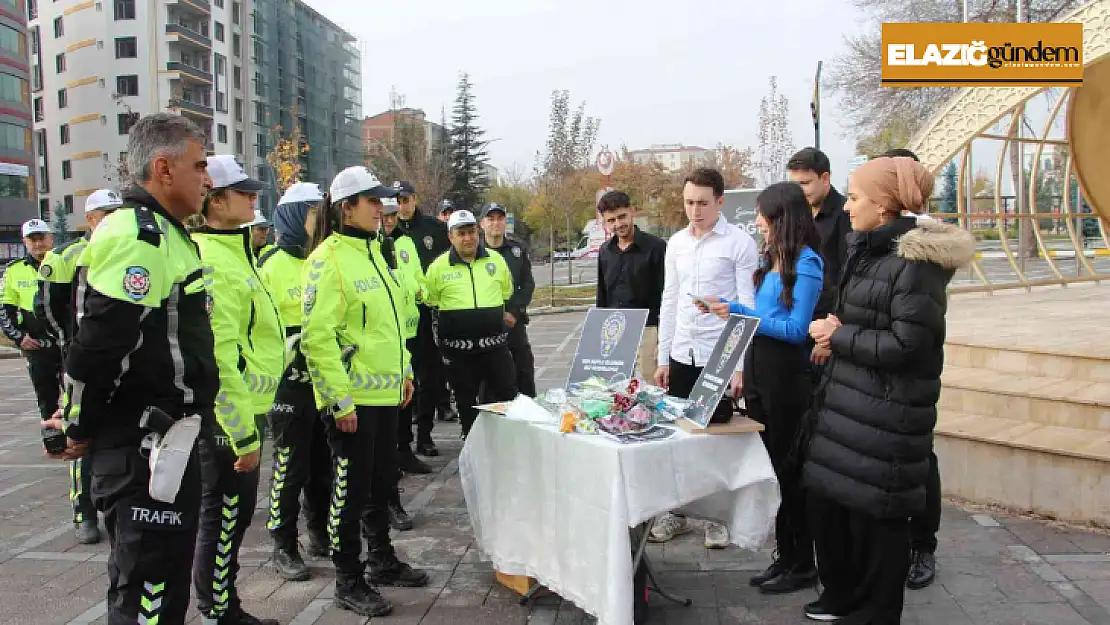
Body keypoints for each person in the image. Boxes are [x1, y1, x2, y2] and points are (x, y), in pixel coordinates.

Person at [43, 113, 218, 625]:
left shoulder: (166, 233)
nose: (207, 179)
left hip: (170, 442)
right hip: (141, 447)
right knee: (146, 592)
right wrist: (77, 423)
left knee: (163, 589)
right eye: (200, 166)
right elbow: (99, 344)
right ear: (164, 168)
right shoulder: (139, 236)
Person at [803, 157, 974, 623]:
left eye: (855, 198)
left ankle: (874, 611)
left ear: (883, 208)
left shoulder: (915, 264)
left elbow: (908, 345)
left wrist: (838, 336)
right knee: (837, 510)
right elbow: (872, 317)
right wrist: (840, 324)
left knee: (878, 526)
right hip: (853, 408)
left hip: (887, 418)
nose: (847, 206)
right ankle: (844, 598)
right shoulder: (870, 250)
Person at [302, 166, 427, 617]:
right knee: (350, 494)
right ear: (345, 207)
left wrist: (406, 370)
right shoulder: (328, 259)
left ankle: (381, 561)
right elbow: (317, 337)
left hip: (387, 395)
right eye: (372, 201)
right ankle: (348, 579)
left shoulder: (378, 250)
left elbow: (392, 324)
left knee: (379, 484)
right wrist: (339, 401)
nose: (382, 208)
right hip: (352, 403)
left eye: (383, 201)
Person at [701, 182, 824, 594]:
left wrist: (740, 313)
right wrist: (732, 311)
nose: (757, 222)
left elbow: (795, 329)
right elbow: (764, 315)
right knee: (772, 470)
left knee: (789, 473)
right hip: (760, 372)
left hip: (787, 379)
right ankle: (784, 556)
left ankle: (802, 562)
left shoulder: (806, 264)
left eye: (763, 215)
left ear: (782, 218)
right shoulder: (772, 261)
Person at [190, 155, 283, 625]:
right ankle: (220, 608)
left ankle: (219, 602)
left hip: (248, 407)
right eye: (243, 193)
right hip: (232, 417)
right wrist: (242, 432)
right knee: (226, 514)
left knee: (231, 513)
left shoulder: (236, 251)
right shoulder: (214, 260)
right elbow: (221, 356)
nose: (254, 198)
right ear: (214, 200)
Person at [651, 167, 758, 549]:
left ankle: (717, 518)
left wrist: (739, 366)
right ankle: (676, 512)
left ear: (720, 202)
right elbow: (669, 300)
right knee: (680, 435)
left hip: (719, 355)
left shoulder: (739, 244)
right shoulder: (676, 243)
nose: (694, 211)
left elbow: (746, 307)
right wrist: (663, 357)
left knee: (716, 439)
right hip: (682, 350)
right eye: (688, 202)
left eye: (702, 203)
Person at [36, 190, 123, 544]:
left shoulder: (128, 249)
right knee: (77, 429)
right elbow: (51, 311)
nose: (114, 219)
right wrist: (70, 352)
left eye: (118, 212)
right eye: (106, 214)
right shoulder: (67, 256)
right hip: (78, 360)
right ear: (90, 219)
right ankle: (82, 509)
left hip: (118, 362)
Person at [259, 181, 334, 581]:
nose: (319, 222)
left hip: (325, 384)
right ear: (290, 217)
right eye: (311, 214)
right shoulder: (270, 266)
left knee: (324, 464)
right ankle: (283, 543)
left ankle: (318, 531)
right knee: (291, 466)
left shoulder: (324, 260)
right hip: (287, 387)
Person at [874, 147, 941, 592]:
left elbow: (913, 331)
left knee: (920, 462)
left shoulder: (925, 244)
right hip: (874, 369)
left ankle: (923, 545)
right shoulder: (869, 235)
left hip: (907, 373)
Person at [423, 209, 518, 439]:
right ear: (451, 237)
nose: (468, 238)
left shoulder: (496, 261)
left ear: (478, 232)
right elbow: (431, 298)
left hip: (495, 348)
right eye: (461, 233)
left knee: (507, 394)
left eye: (471, 232)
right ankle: (473, 445)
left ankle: (506, 442)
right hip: (458, 352)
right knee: (465, 400)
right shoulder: (437, 267)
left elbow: (507, 291)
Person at [377, 195, 427, 533]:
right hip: (376, 348)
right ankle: (384, 504)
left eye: (394, 215)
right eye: (384, 215)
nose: (389, 220)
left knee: (407, 401)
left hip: (405, 334)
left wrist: (418, 290)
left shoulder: (405, 243)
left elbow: (414, 277)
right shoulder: (369, 249)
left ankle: (403, 456)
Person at [394, 180, 457, 437]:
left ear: (415, 199)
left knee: (429, 375)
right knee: (403, 376)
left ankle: (425, 434)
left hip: (428, 311)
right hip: (399, 316)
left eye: (406, 200)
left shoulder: (434, 228)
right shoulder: (387, 232)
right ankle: (404, 434)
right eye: (397, 201)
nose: (402, 206)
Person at [786, 147, 850, 373]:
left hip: (826, 333)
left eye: (805, 183)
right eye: (796, 185)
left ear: (825, 178)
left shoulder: (846, 216)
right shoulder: (797, 216)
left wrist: (828, 338)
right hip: (799, 327)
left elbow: (847, 280)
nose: (800, 191)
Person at [595, 190, 666, 382]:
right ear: (604, 222)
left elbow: (666, 293)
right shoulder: (605, 252)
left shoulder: (657, 248)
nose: (618, 224)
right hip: (614, 332)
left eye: (622, 217)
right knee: (616, 385)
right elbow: (602, 293)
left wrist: (664, 337)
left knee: (650, 387)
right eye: (611, 220)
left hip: (648, 329)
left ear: (632, 211)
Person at [3, 219, 61, 426]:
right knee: (45, 394)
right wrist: (19, 337)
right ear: (25, 242)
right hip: (36, 344)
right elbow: (5, 309)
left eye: (42, 238)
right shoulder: (13, 270)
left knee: (77, 393)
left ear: (51, 238)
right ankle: (52, 435)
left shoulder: (64, 262)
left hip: (66, 341)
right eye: (32, 240)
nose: (38, 244)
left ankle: (77, 437)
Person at [480, 202, 536, 397]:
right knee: (489, 377)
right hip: (486, 323)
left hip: (514, 322)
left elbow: (527, 284)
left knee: (524, 369)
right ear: (482, 224)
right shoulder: (476, 253)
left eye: (500, 218)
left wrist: (513, 312)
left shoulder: (517, 250)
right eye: (491, 219)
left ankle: (529, 416)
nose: (496, 223)